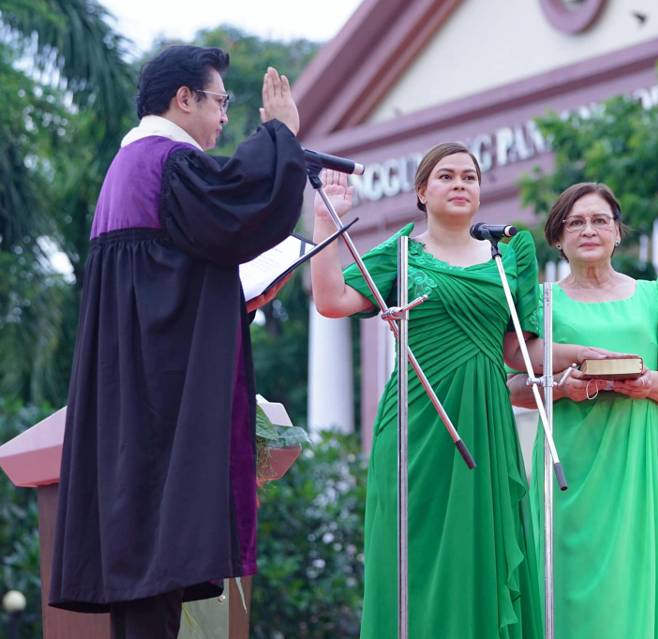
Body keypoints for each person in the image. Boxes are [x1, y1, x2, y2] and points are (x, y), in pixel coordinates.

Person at [310, 143, 620, 638]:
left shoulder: (507, 253)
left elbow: (521, 351)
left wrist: (581, 353)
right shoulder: (403, 253)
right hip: (417, 425)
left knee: (481, 553)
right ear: (421, 191)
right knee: (413, 557)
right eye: (447, 176)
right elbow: (331, 300)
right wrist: (327, 221)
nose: (460, 185)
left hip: (485, 425)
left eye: (469, 177)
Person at [49, 45, 306, 638]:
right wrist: (280, 135)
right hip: (159, 398)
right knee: (153, 554)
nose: (223, 116)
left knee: (146, 563)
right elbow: (239, 206)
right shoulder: (165, 162)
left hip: (132, 394)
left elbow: (193, 260)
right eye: (219, 101)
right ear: (183, 98)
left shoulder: (132, 167)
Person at [507, 182, 658, 639]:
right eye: (576, 223)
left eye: (599, 221)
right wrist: (562, 387)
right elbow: (515, 384)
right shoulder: (542, 300)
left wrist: (648, 382)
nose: (588, 230)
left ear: (617, 233)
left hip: (634, 469)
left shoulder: (653, 294)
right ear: (557, 237)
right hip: (567, 469)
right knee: (564, 588)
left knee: (632, 588)